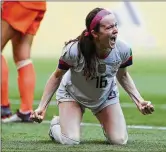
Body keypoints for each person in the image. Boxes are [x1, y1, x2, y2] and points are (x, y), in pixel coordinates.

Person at [30, 7, 154, 145]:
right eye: (109, 28)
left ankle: (109, 127)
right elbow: (57, 77)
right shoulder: (73, 51)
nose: (115, 30)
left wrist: (139, 101)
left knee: (119, 141)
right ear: (95, 33)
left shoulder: (123, 49)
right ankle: (56, 125)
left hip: (105, 96)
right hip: (73, 94)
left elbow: (123, 76)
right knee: (70, 141)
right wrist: (42, 107)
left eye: (115, 25)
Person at [1, 1, 47, 122]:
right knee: (23, 57)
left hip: (18, 3)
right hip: (38, 4)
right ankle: (26, 111)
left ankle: (2, 106)